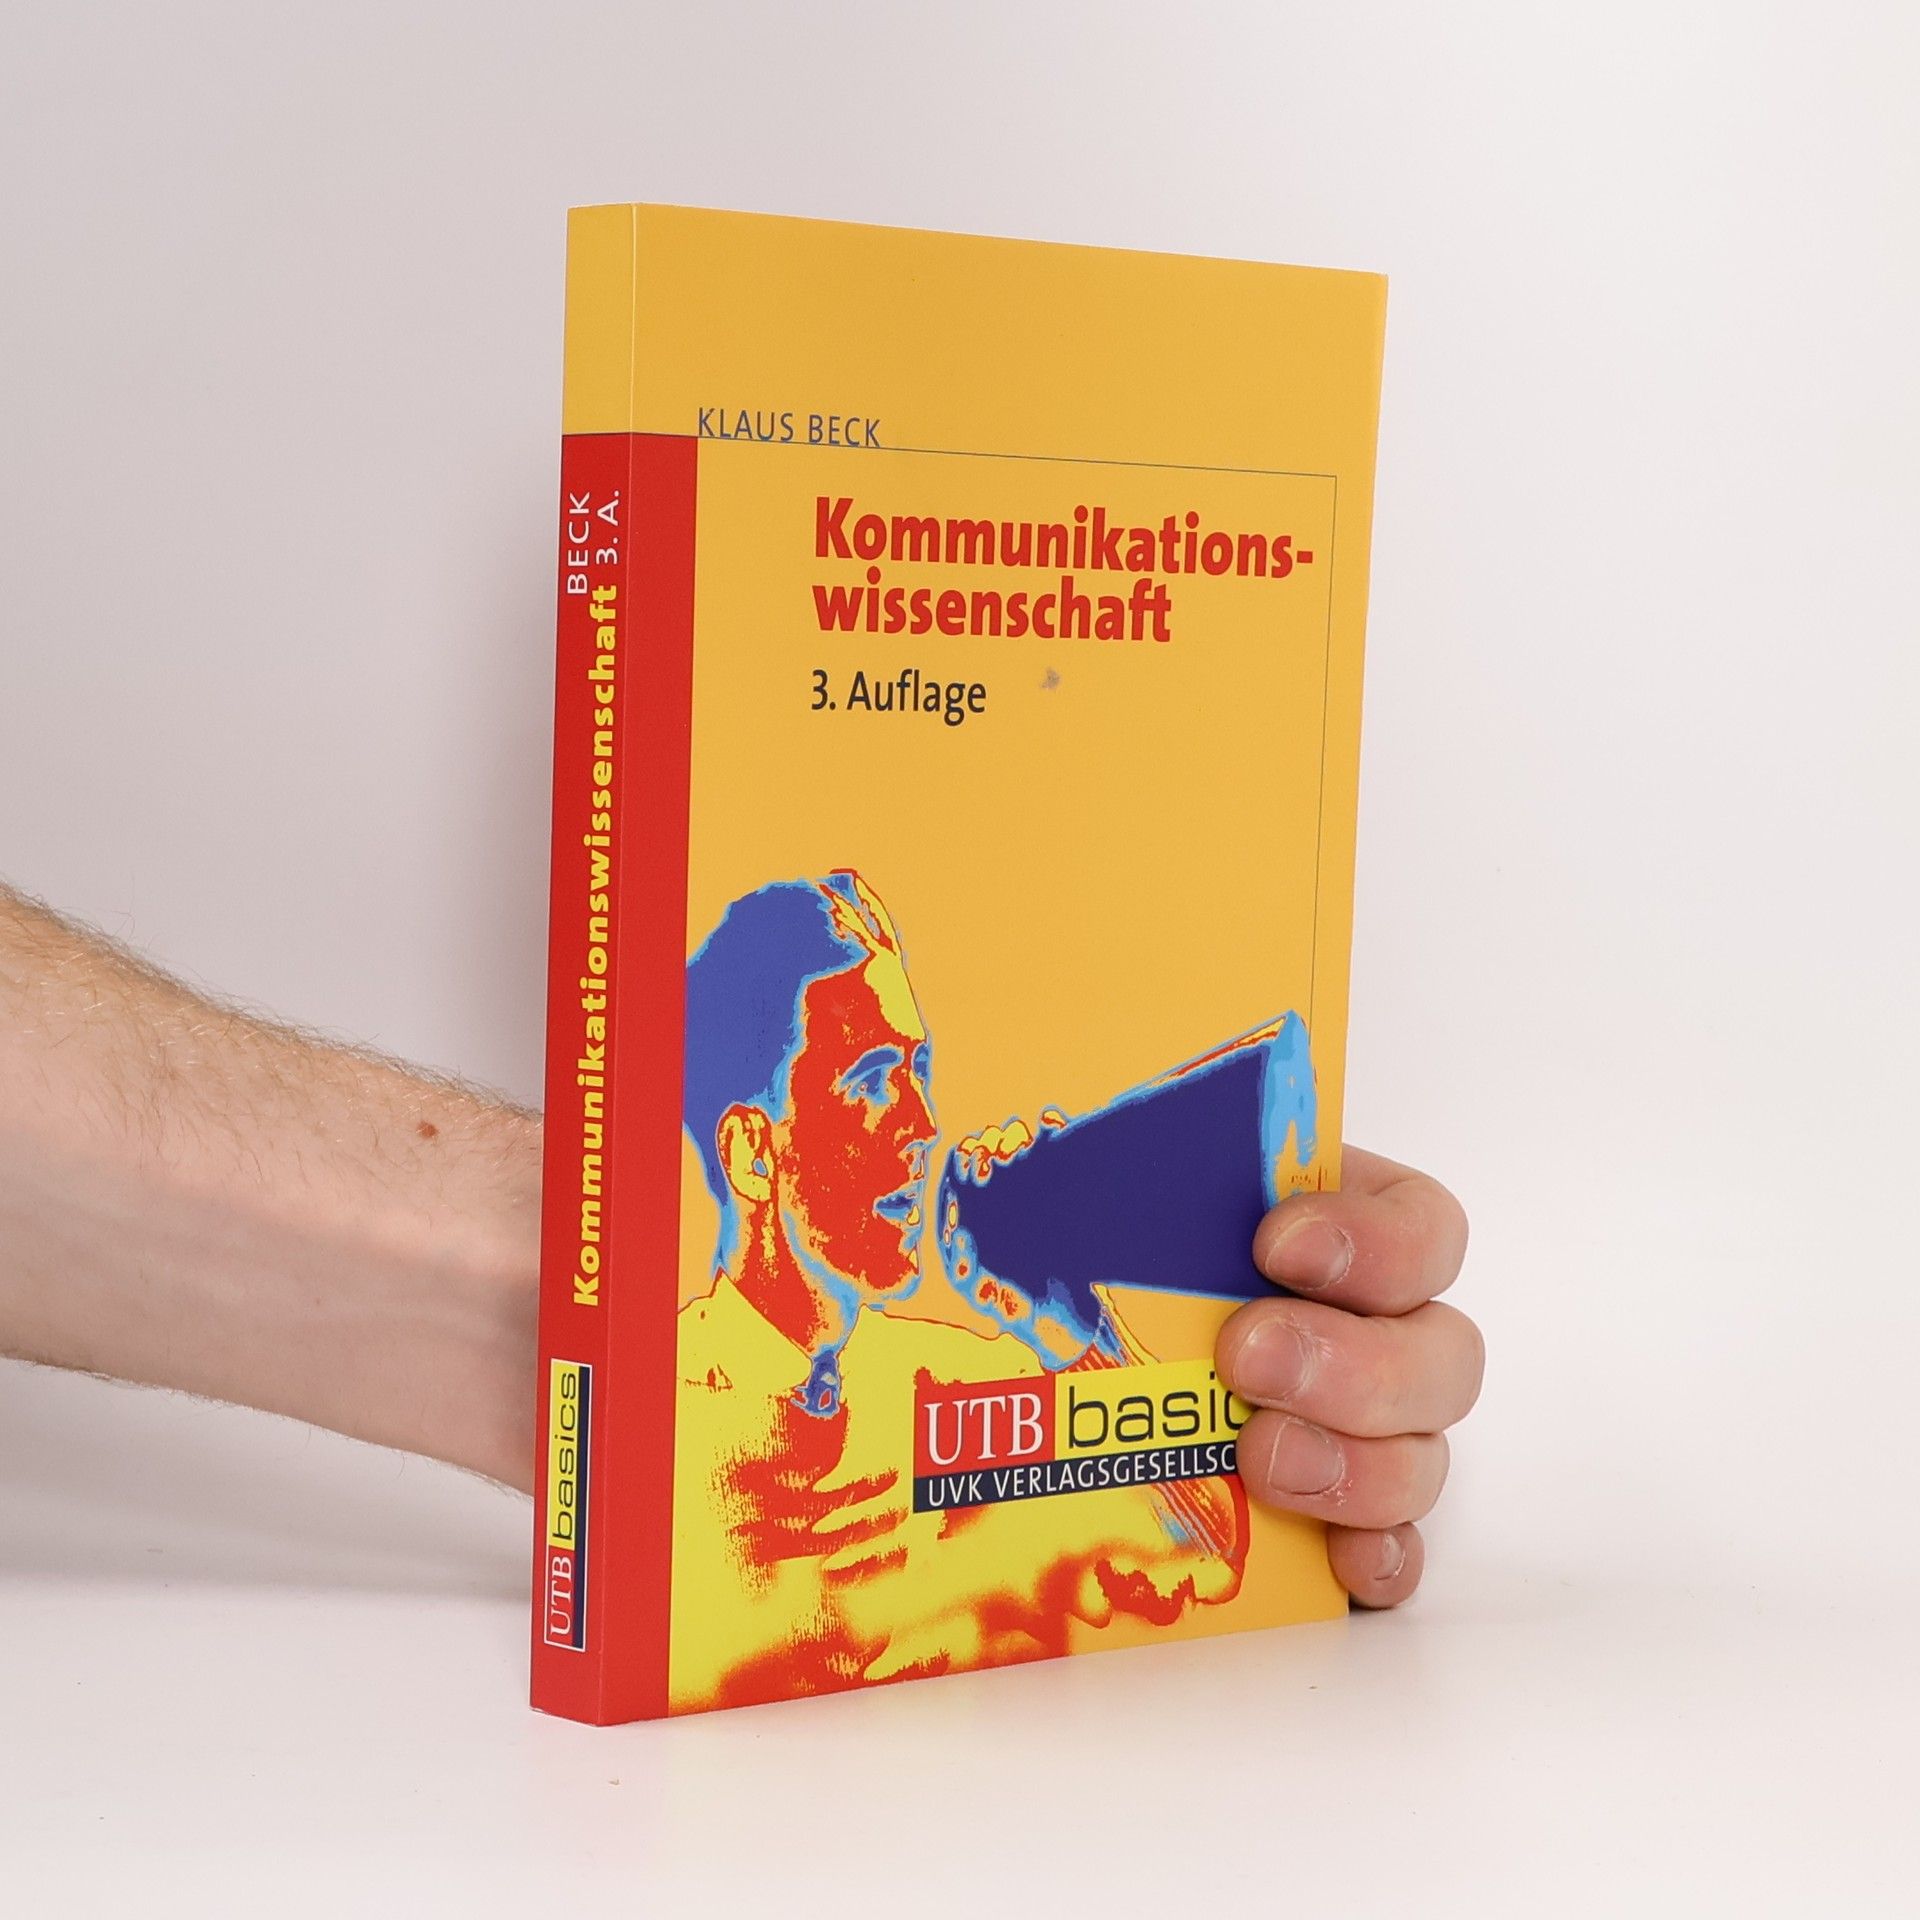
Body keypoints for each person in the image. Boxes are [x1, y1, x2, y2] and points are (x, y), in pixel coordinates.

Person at [0, 877, 1483, 1636]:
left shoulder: (953, 1372)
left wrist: (1073, 1328)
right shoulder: (701, 1405)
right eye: (871, 1082)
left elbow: (1215, 1568)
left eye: (919, 1070)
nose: (922, 1123)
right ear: (757, 1152)